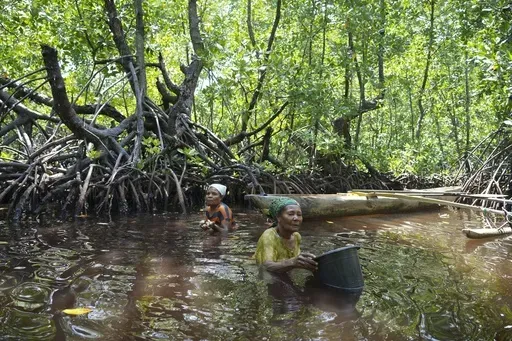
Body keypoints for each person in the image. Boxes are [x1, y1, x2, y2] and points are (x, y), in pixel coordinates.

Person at [254, 197, 317, 272]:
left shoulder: (297, 236)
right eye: (291, 214)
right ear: (278, 217)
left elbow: (295, 263)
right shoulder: (269, 236)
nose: (296, 218)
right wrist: (292, 262)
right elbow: (266, 266)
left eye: (299, 214)